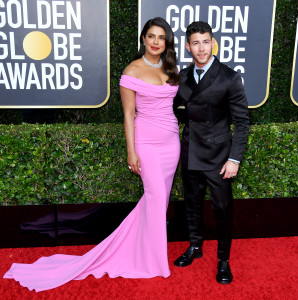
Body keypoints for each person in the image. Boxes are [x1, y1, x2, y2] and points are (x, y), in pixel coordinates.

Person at [3, 17, 180, 292]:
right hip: (147, 144)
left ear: (167, 41)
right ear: (143, 39)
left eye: (161, 37)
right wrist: (131, 152)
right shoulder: (131, 71)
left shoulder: (171, 68)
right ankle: (155, 262)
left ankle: (142, 250)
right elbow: (128, 114)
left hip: (172, 143)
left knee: (158, 202)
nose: (156, 42)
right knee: (155, 199)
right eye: (151, 36)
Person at [173, 21, 250, 284]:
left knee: (222, 209)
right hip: (191, 150)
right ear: (188, 46)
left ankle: (224, 260)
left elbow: (242, 121)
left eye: (206, 42)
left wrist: (234, 159)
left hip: (218, 158)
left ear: (213, 43)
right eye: (196, 42)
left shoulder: (229, 77)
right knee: (192, 204)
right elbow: (172, 110)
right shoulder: (182, 76)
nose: (201, 48)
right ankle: (195, 246)